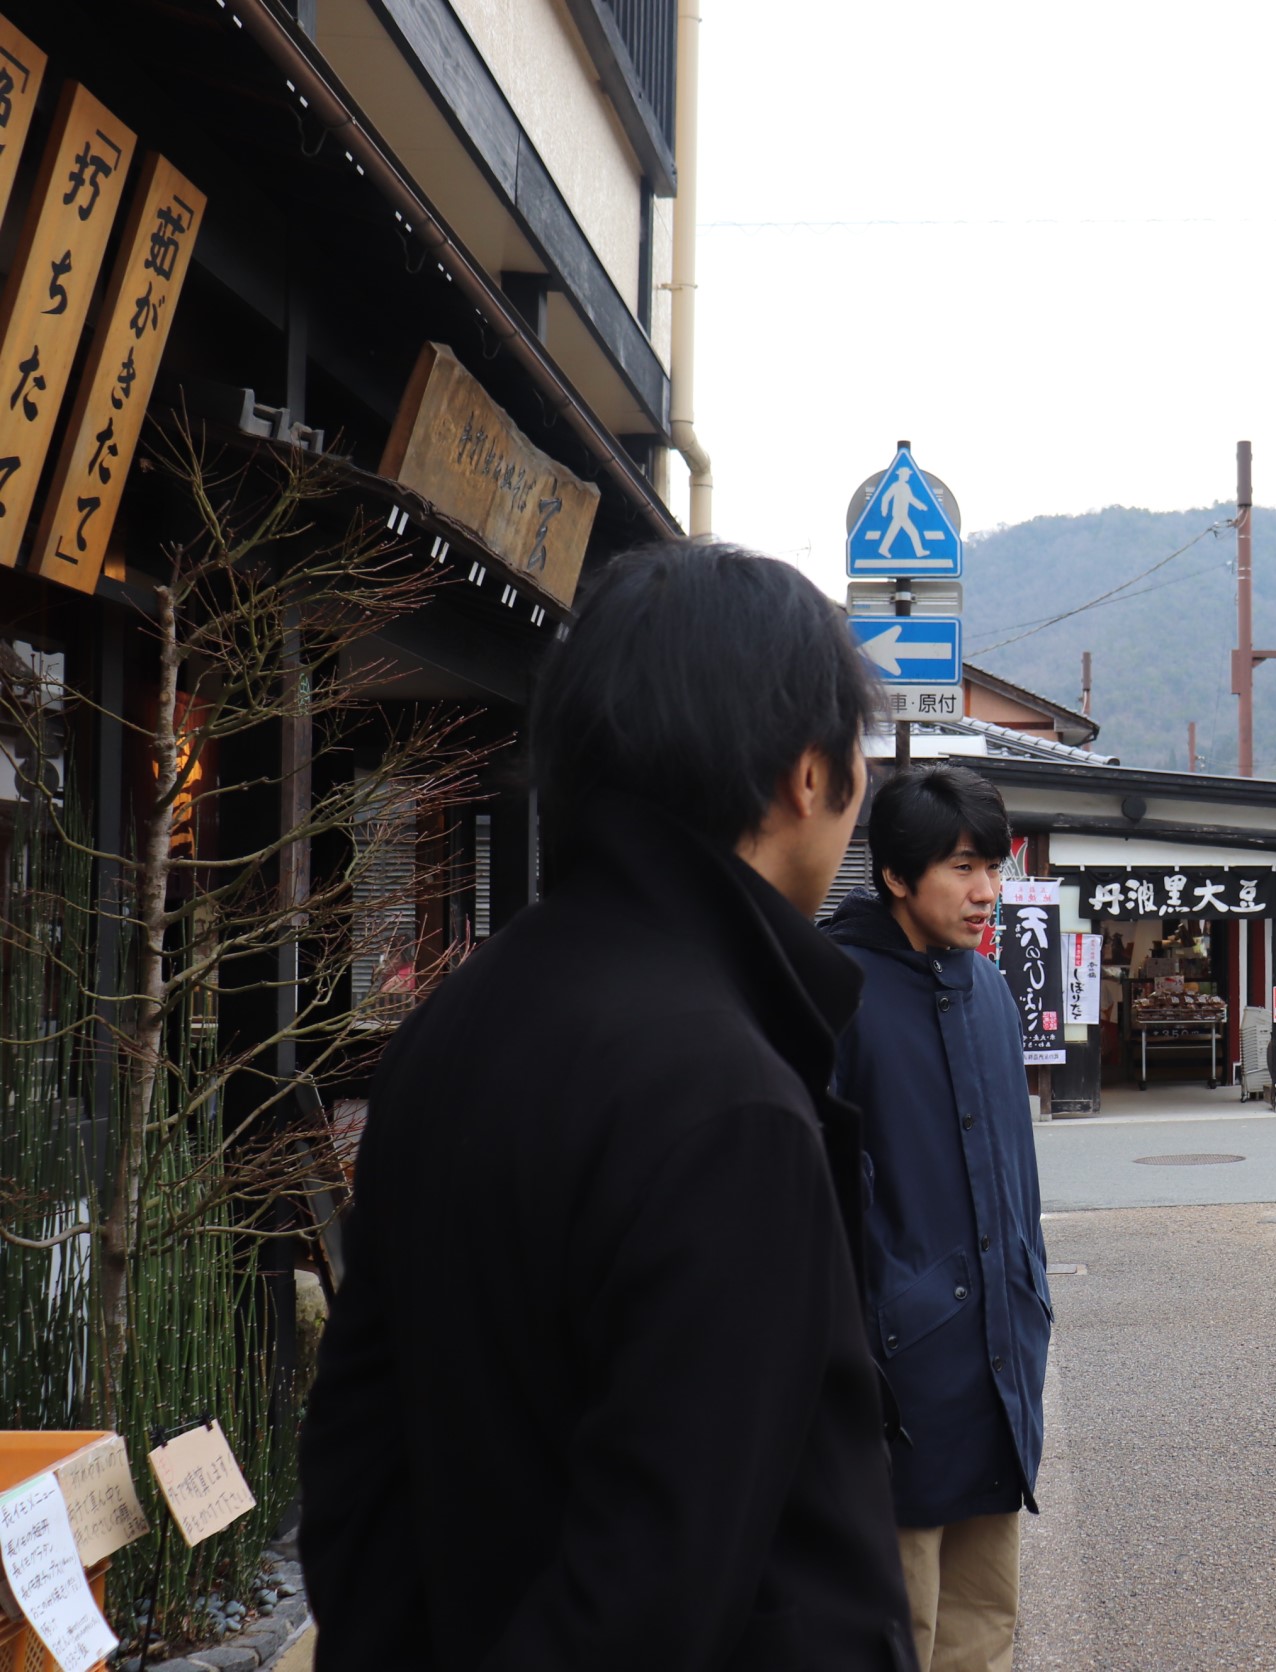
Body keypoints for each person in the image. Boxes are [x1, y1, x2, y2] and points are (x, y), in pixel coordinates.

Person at [302, 544, 914, 1669]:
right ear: (807, 776)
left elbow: (354, 1463)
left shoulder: (455, 1023)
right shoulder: (730, 1095)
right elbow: (656, 1587)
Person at [825, 763, 1049, 1672]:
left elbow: (1017, 1183)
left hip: (996, 1357)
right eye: (962, 867)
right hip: (896, 1380)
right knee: (898, 1630)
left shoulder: (988, 990)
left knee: (983, 1629)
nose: (987, 891)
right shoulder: (833, 991)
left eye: (993, 866)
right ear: (894, 877)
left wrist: (1028, 1299)